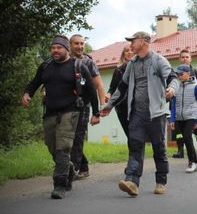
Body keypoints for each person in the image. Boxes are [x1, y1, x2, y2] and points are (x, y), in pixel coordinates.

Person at [101, 31, 179, 196]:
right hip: (137, 113)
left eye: (133, 41)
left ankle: (161, 181)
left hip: (156, 113)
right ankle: (132, 182)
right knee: (135, 146)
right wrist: (110, 105)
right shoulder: (132, 63)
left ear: (144, 41)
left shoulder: (158, 60)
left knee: (158, 148)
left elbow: (173, 77)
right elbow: (121, 88)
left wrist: (172, 88)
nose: (130, 44)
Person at [22, 35, 99, 199]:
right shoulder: (45, 66)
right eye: (53, 48)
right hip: (50, 113)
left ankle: (60, 184)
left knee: (63, 147)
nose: (55, 50)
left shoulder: (77, 66)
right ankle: (69, 168)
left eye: (59, 48)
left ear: (66, 49)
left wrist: (96, 113)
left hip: (70, 112)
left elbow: (91, 90)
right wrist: (27, 93)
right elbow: (35, 82)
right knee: (51, 146)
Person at [69, 34, 107, 180]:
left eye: (82, 44)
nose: (80, 46)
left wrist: (101, 107)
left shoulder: (88, 62)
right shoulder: (64, 60)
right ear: (70, 45)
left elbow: (98, 85)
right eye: (76, 44)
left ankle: (75, 170)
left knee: (77, 137)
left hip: (84, 105)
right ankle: (83, 165)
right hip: (66, 105)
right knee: (68, 138)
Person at [173, 49, 197, 159]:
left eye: (187, 57)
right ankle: (180, 150)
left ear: (190, 59)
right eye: (182, 57)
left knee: (196, 129)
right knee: (178, 130)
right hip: (179, 107)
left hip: (193, 108)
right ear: (179, 59)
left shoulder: (196, 73)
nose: (185, 59)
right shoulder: (175, 74)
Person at [170, 64, 197, 173]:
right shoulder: (176, 87)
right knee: (186, 138)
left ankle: (191, 162)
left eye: (181, 73)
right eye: (178, 73)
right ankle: (196, 162)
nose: (179, 75)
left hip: (191, 116)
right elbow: (173, 105)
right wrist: (172, 120)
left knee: (187, 136)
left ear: (188, 74)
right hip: (180, 117)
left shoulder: (195, 87)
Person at [105, 45, 134, 138]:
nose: (129, 52)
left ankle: (136, 152)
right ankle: (133, 152)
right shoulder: (118, 70)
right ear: (123, 54)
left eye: (132, 50)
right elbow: (112, 88)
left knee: (136, 132)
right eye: (127, 51)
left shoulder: (139, 68)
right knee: (128, 132)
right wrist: (109, 94)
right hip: (121, 106)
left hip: (136, 105)